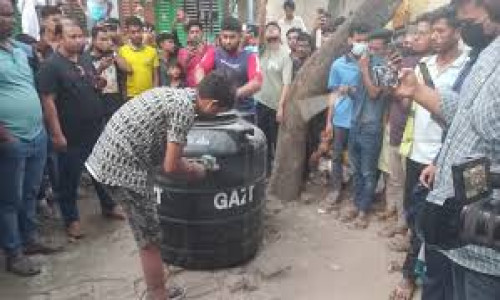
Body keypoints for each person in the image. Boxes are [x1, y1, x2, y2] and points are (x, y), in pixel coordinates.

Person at [85, 71, 236, 300]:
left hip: (109, 156)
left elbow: (169, 150)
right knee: (150, 239)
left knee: (146, 230)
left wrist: (186, 162)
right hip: (122, 169)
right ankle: (158, 295)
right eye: (218, 111)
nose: (217, 116)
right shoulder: (184, 110)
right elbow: (171, 166)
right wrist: (196, 170)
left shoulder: (183, 95)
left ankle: (158, 289)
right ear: (211, 102)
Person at [394, 0, 500, 298]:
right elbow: (465, 114)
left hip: (487, 240)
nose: (462, 15)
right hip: (460, 226)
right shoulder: (490, 52)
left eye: (469, 6)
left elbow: (490, 124)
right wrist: (417, 90)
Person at [392, 7, 470, 300]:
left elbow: (456, 117)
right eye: (430, 32)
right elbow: (409, 108)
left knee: (433, 221)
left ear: (457, 31)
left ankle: (411, 276)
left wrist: (440, 160)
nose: (435, 37)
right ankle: (418, 268)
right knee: (414, 217)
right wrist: (399, 92)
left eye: (440, 31)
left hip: (440, 158)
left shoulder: (466, 68)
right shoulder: (424, 63)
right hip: (415, 151)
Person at [38, 19, 125, 240]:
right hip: (70, 132)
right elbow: (48, 102)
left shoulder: (84, 58)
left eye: (81, 36)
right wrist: (56, 134)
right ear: (59, 38)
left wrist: (97, 83)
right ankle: (71, 220)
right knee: (69, 178)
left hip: (94, 127)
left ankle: (108, 205)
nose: (79, 40)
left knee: (101, 170)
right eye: (73, 37)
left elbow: (89, 82)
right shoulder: (51, 66)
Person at [0, 0, 61, 277]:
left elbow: (44, 53)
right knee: (8, 199)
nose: (8, 19)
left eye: (10, 14)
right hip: (10, 139)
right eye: (2, 14)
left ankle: (30, 239)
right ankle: (13, 254)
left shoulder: (19, 49)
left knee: (30, 192)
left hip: (37, 133)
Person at [340, 28, 394, 229]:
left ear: (385, 48)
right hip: (356, 124)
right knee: (355, 169)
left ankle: (363, 212)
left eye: (375, 48)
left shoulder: (385, 68)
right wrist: (350, 91)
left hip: (372, 128)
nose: (371, 51)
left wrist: (363, 70)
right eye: (369, 48)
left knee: (368, 172)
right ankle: (356, 205)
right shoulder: (366, 63)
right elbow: (362, 95)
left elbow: (374, 94)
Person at [319, 23, 370, 214]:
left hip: (361, 120)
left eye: (365, 41)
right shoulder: (338, 65)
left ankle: (355, 196)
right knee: (337, 156)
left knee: (357, 159)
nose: (362, 45)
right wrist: (328, 122)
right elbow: (333, 95)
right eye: (358, 41)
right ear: (350, 40)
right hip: (340, 119)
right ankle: (335, 190)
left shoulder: (370, 64)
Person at [196, 17, 262, 121]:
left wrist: (232, 95)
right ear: (220, 36)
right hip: (219, 112)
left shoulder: (250, 57)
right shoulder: (214, 52)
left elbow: (257, 82)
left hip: (244, 113)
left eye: (232, 37)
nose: (228, 41)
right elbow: (199, 69)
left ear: (240, 37)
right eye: (225, 37)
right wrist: (204, 89)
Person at [254, 22, 293, 174]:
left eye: (274, 28)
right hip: (261, 103)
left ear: (279, 32)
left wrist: (281, 107)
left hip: (276, 105)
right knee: (263, 140)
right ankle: (265, 172)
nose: (270, 30)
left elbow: (286, 83)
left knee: (276, 141)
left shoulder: (285, 55)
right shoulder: (262, 50)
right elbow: (261, 29)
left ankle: (278, 173)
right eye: (268, 28)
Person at [83, 25, 131, 121]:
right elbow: (86, 82)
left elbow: (128, 69)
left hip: (115, 105)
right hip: (97, 106)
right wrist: (101, 67)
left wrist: (114, 52)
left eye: (109, 39)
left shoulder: (113, 56)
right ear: (93, 40)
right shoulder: (85, 58)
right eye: (103, 39)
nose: (107, 42)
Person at [119, 16, 159, 99]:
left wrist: (155, 94)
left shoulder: (152, 51)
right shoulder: (122, 51)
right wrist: (124, 95)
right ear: (128, 34)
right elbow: (122, 77)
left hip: (149, 95)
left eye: (139, 31)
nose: (137, 35)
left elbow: (156, 76)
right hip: (131, 96)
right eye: (133, 32)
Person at [177, 21, 211, 88]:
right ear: (188, 35)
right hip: (189, 88)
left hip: (207, 88)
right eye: (192, 32)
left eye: (197, 32)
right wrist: (188, 57)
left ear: (202, 33)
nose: (195, 34)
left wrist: (202, 53)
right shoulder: (182, 51)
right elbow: (180, 72)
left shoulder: (210, 49)